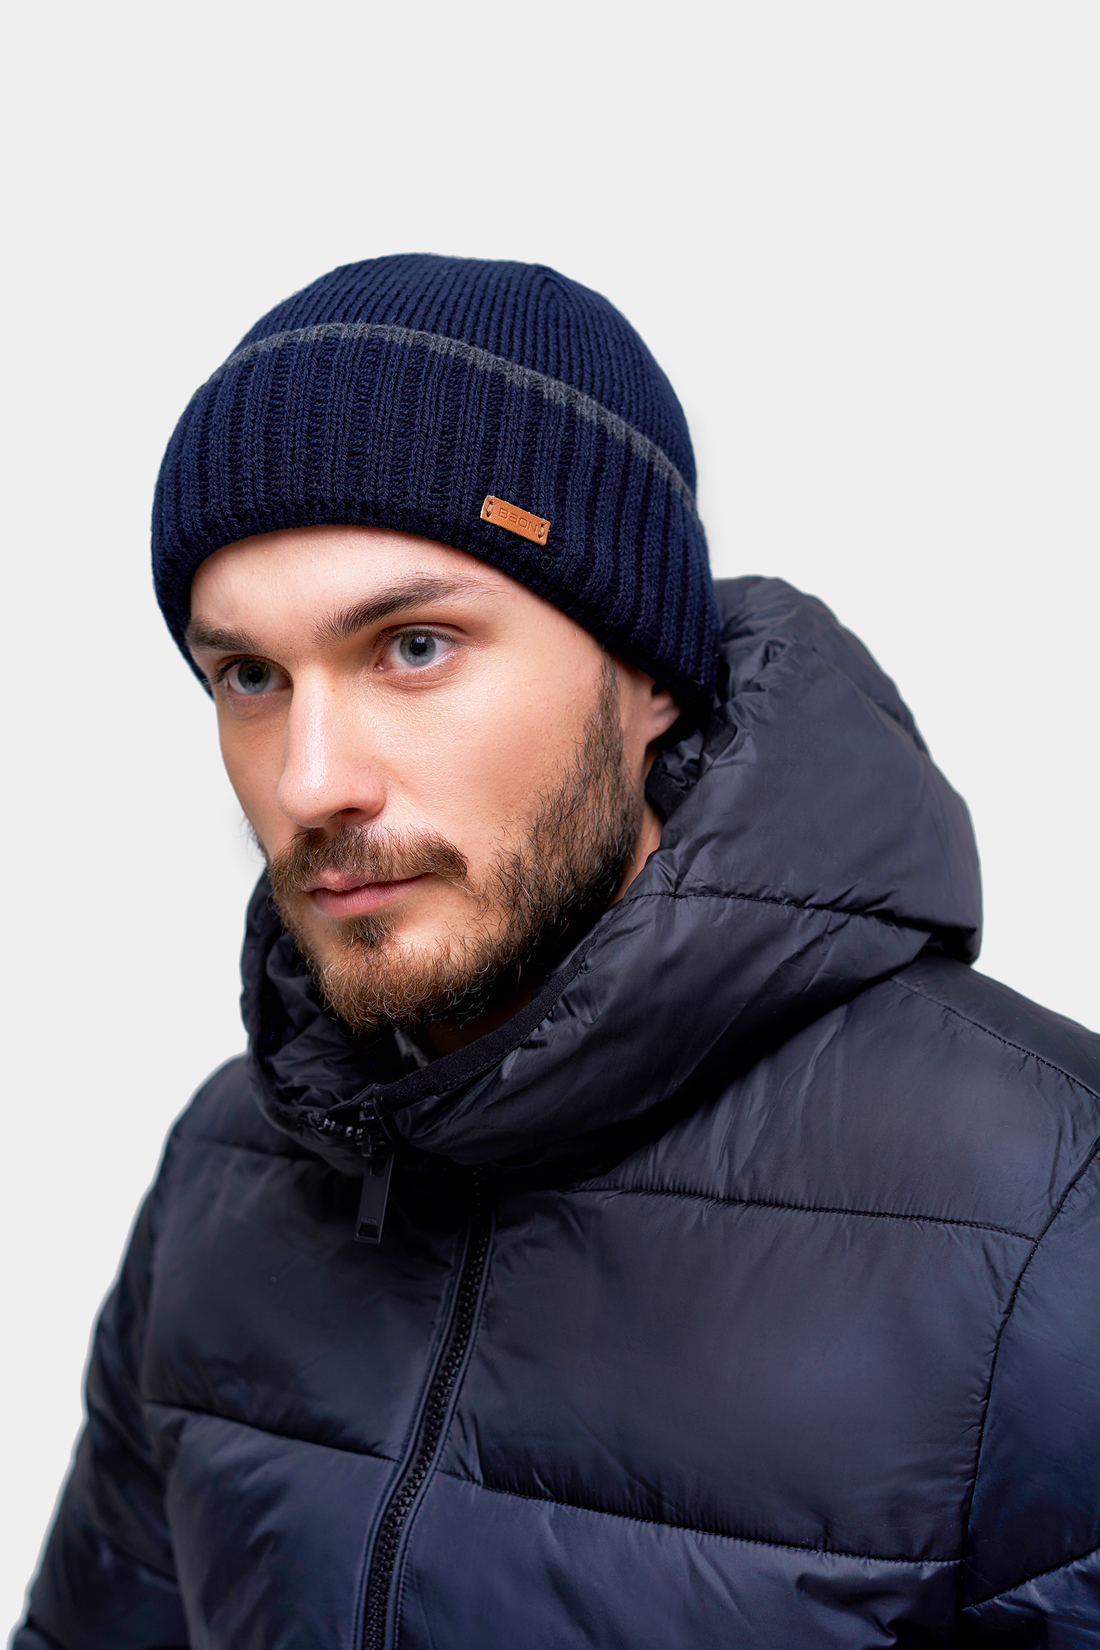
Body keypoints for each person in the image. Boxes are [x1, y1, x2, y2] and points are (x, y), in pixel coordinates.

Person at [15, 255, 1100, 1650]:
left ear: (647, 673)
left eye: (414, 646)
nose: (311, 780)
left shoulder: (1049, 1205)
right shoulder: (225, 1173)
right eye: (252, 676)